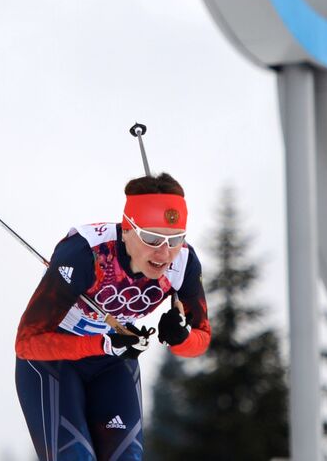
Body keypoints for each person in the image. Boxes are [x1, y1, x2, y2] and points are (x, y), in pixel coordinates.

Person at [14, 173, 211, 461]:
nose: (164, 252)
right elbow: (26, 343)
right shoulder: (85, 254)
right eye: (152, 238)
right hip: (54, 362)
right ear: (128, 229)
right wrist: (102, 344)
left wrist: (182, 337)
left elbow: (202, 339)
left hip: (112, 363)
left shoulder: (183, 264)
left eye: (176, 239)